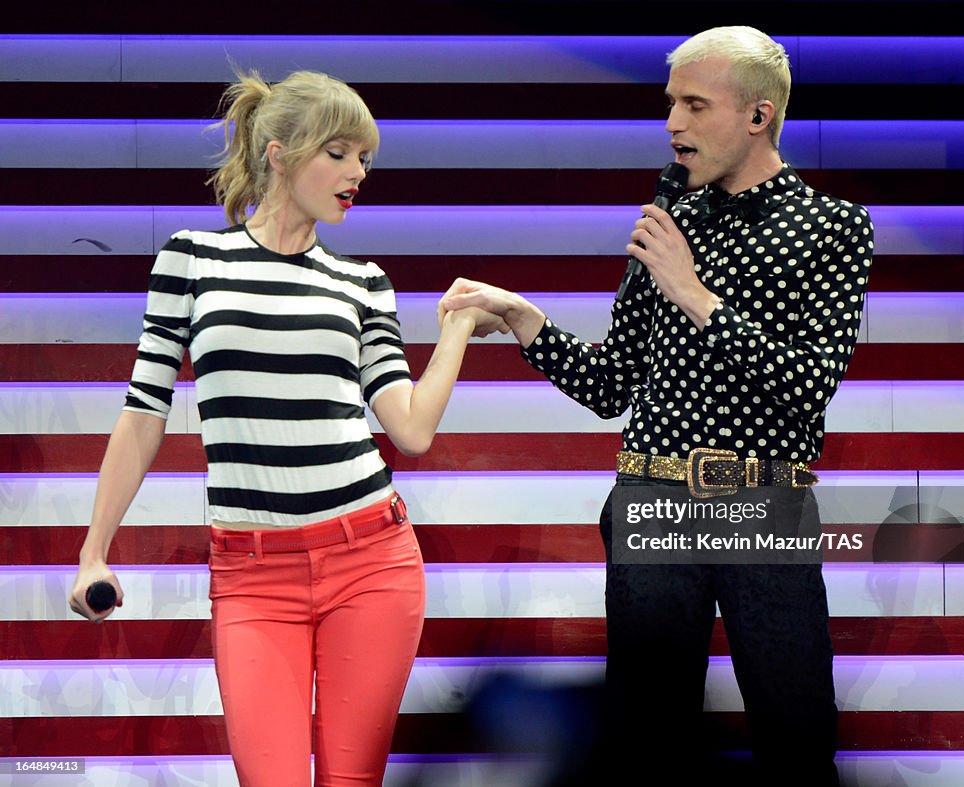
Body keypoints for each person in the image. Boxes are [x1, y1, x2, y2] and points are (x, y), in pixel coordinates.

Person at [440, 26, 872, 785]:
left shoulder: (832, 226)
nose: (672, 122)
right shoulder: (668, 221)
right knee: (646, 742)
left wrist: (696, 295)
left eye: (694, 104)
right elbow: (613, 383)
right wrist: (522, 319)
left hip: (759, 494)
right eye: (670, 102)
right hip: (651, 493)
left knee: (795, 731)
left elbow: (809, 386)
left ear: (757, 115)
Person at [68, 69, 504, 787]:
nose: (358, 172)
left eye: (365, 157)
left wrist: (455, 331)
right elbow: (144, 412)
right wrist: (94, 551)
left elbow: (412, 430)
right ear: (278, 151)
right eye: (340, 152)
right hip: (251, 573)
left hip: (371, 559)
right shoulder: (191, 258)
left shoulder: (364, 282)